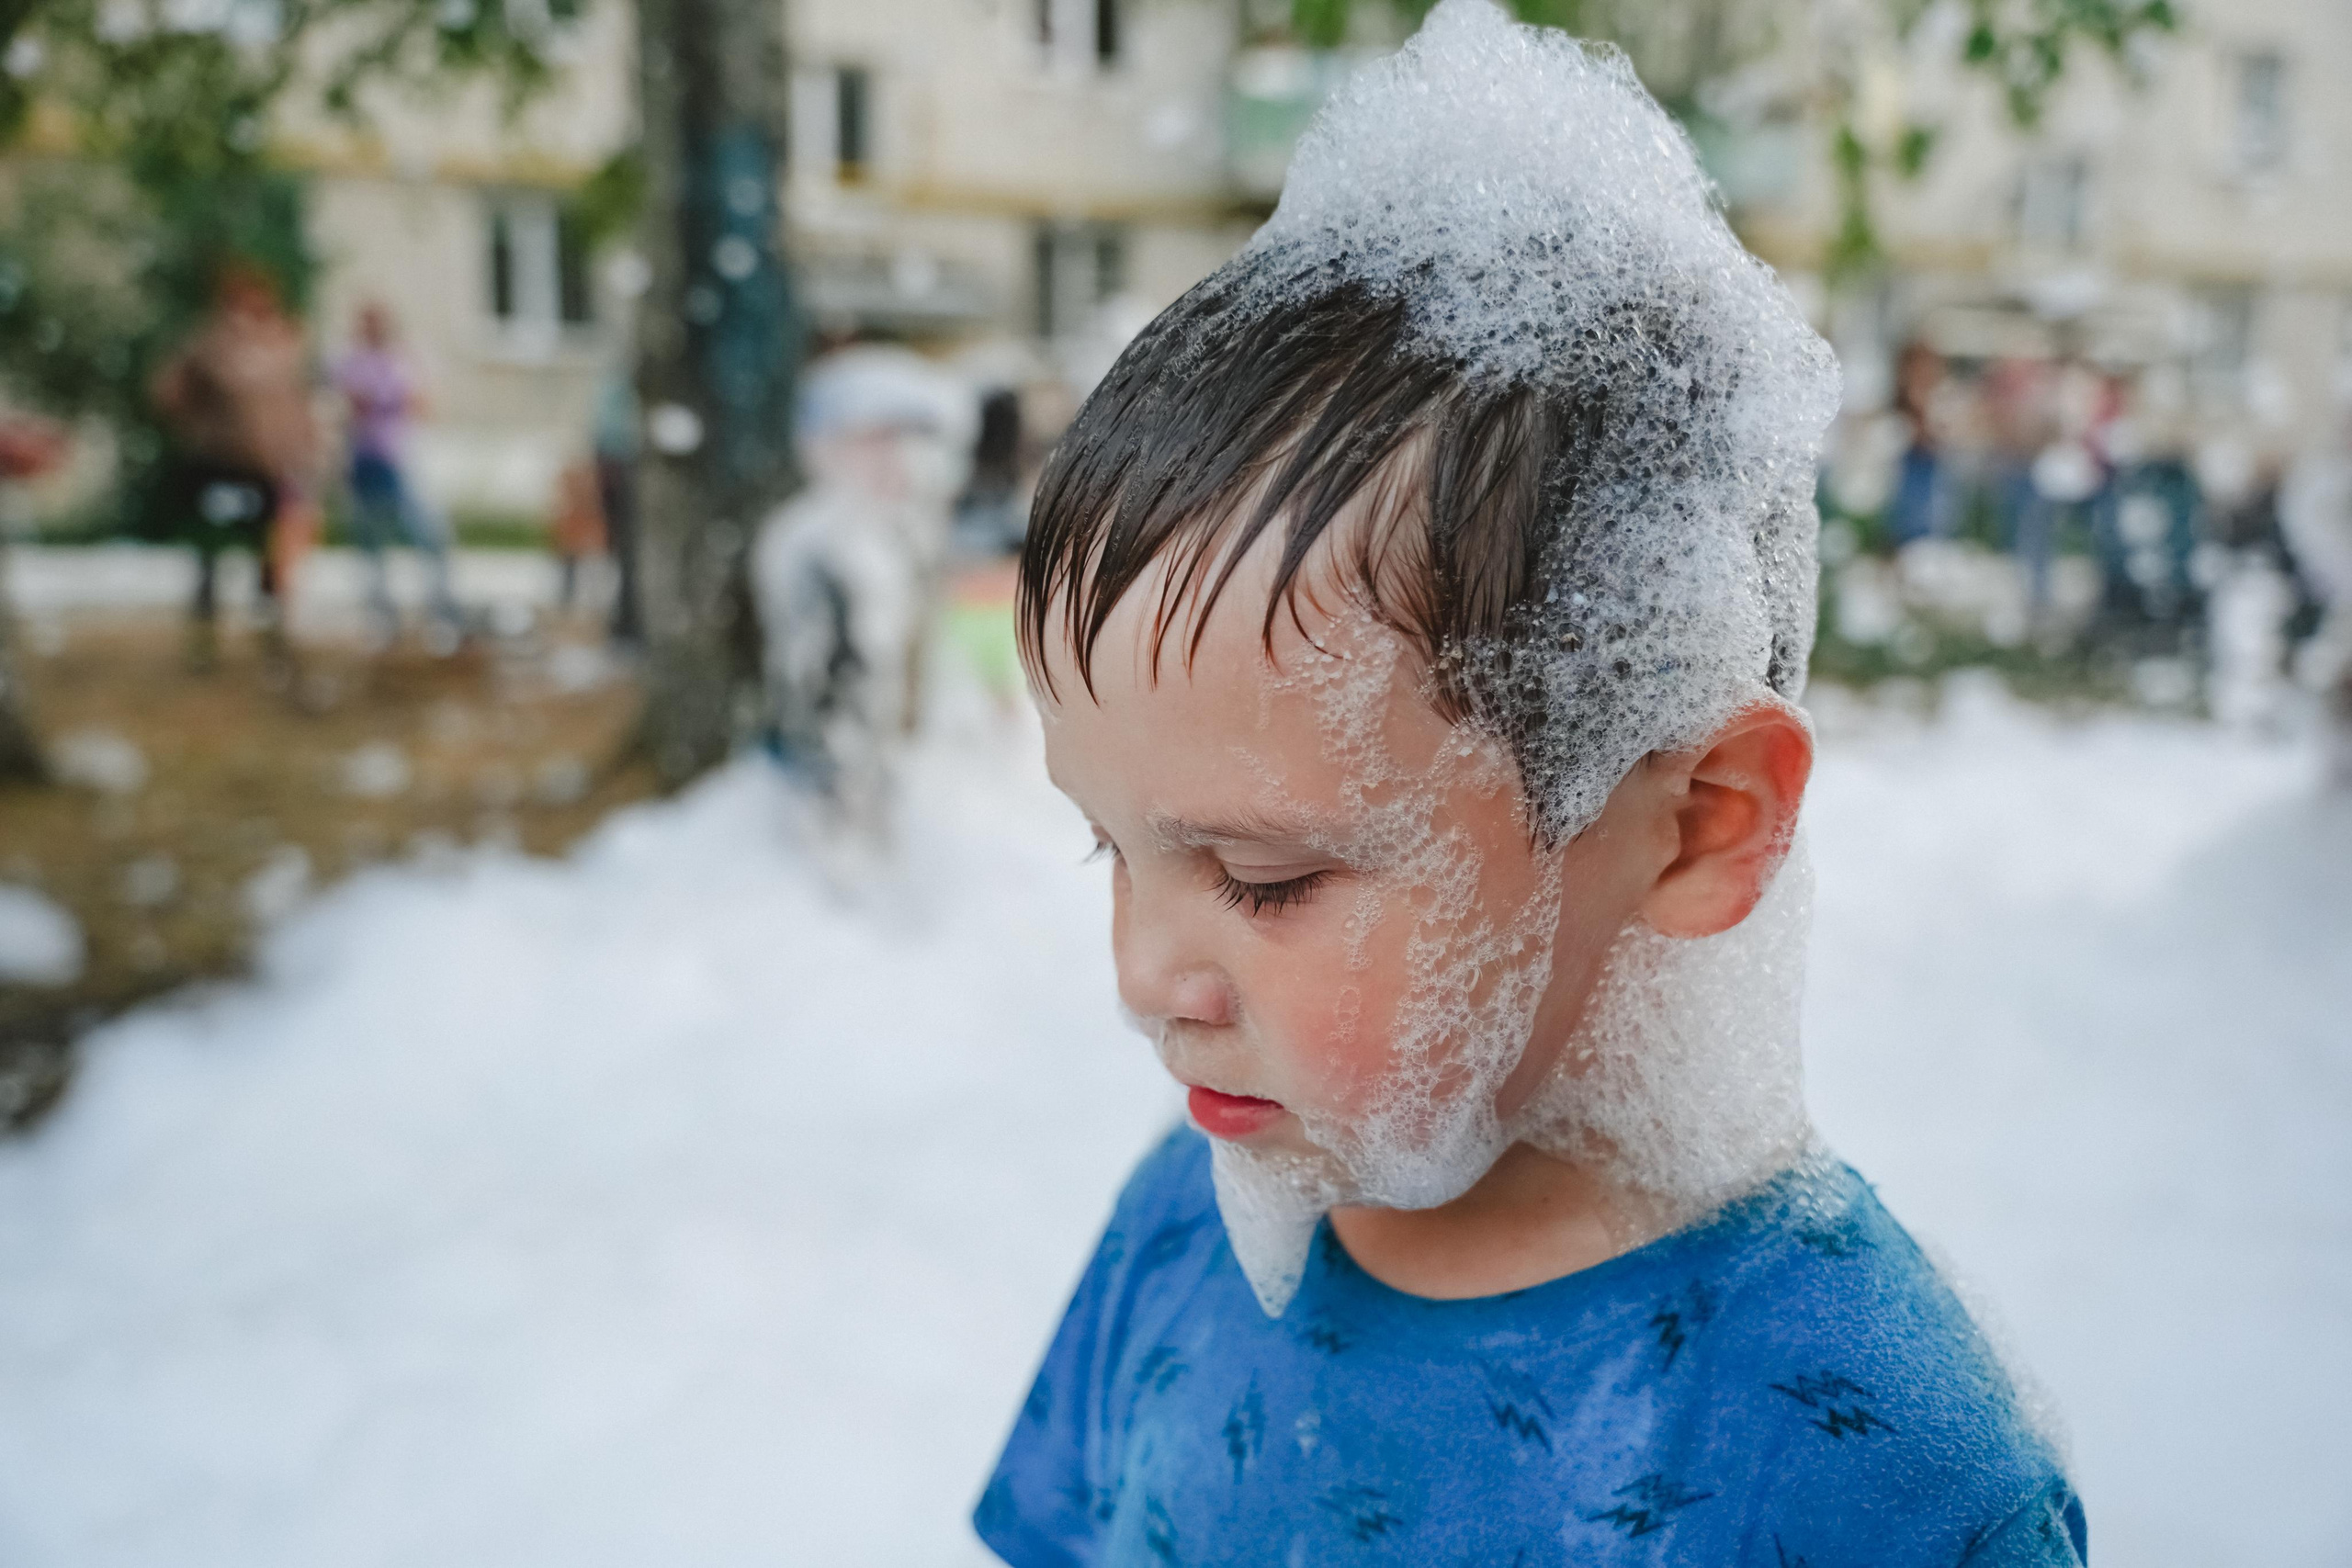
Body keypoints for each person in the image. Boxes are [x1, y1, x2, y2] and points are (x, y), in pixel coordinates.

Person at [974, 6, 2081, 1565]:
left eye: (1268, 878)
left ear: (1699, 821)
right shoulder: (1186, 1226)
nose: (1146, 978)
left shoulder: (1859, 1458)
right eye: (1111, 848)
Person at [150, 262, 320, 668]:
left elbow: (291, 406)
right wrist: (196, 425)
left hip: (266, 469)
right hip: (218, 464)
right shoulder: (210, 343)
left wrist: (301, 451)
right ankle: (204, 642)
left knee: (268, 551)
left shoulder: (281, 344)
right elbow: (168, 392)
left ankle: (270, 637)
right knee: (211, 551)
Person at [333, 301, 460, 649]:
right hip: (365, 461)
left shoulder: (406, 359)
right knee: (370, 540)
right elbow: (349, 404)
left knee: (428, 535)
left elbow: (421, 403)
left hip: (403, 461)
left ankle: (442, 611)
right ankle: (381, 617)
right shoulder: (351, 361)